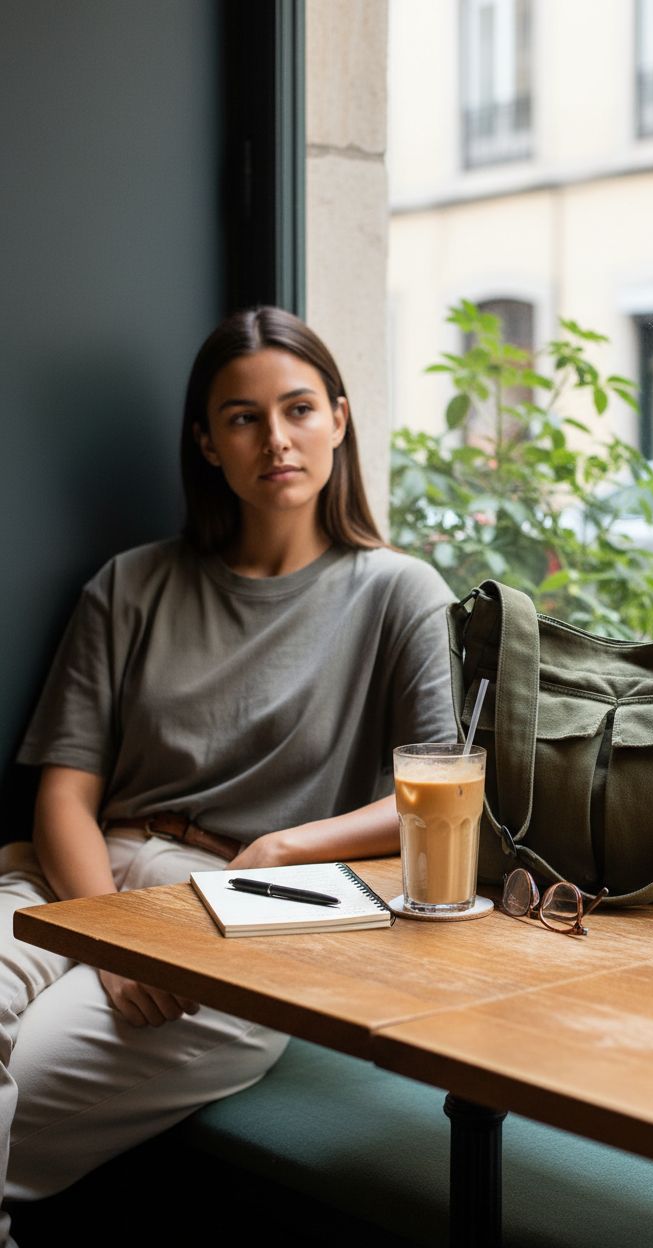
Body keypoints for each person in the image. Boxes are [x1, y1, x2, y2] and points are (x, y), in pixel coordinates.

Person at [0, 306, 457, 1246]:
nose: (276, 439)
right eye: (243, 418)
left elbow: (444, 795)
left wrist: (288, 846)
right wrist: (111, 940)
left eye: (298, 409)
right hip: (82, 874)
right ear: (207, 444)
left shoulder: (399, 592)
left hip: (252, 912)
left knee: (27, 1092)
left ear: (339, 418)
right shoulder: (130, 585)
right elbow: (65, 796)